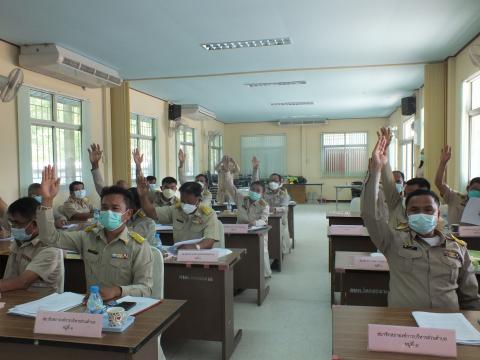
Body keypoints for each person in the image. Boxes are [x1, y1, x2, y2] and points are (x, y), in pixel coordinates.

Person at [361, 135, 480, 309]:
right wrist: (376, 171)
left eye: (429, 210)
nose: (422, 214)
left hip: (447, 328)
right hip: (405, 324)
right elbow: (371, 214)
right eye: (414, 210)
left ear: (438, 213)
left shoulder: (458, 248)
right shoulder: (393, 241)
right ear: (406, 214)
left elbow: (470, 298)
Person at [38, 165, 153, 300]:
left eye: (115, 208)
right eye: (104, 207)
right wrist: (47, 201)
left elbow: (145, 288)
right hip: (93, 307)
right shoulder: (87, 237)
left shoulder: (138, 245)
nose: (108, 212)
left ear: (128, 214)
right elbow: (49, 238)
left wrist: (117, 291)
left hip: (125, 309)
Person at [221, 155, 271, 277]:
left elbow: (264, 220)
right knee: (238, 251)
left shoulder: (263, 205)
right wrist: (227, 171)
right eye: (252, 189)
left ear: (262, 193)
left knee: (260, 252)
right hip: (240, 231)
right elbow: (229, 186)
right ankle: (240, 275)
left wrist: (254, 223)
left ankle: (263, 275)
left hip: (257, 232)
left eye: (257, 191)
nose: (254, 192)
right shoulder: (241, 199)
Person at [0, 197, 63, 293]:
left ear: (34, 224)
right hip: (13, 298)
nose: (13, 227)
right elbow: (4, 212)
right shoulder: (22, 239)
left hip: (40, 304)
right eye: (11, 222)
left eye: (16, 223)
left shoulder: (51, 247)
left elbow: (22, 282)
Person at [138, 176, 219, 249]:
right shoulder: (176, 209)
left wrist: (195, 247)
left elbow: (209, 240)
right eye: (183, 201)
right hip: (179, 253)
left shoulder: (209, 214)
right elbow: (151, 213)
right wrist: (143, 196)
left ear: (199, 198)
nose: (185, 205)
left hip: (201, 255)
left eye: (189, 201)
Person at [252, 156, 291, 254]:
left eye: (275, 181)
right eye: (270, 181)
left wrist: (274, 209)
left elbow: (285, 208)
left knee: (277, 236)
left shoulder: (284, 194)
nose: (272, 183)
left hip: (279, 221)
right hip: (265, 219)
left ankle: (277, 254)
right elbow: (256, 183)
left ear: (281, 182)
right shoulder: (265, 191)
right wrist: (255, 169)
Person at [435, 145, 480, 225]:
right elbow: (439, 182)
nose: (478, 192)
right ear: (468, 188)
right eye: (475, 189)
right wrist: (443, 163)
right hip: (453, 236)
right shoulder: (456, 198)